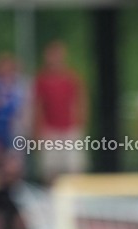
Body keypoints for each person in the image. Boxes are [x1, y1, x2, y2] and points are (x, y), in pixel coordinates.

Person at [33, 41, 88, 183]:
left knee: (74, 167)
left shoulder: (71, 77)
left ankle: (75, 198)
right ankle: (51, 200)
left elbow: (80, 101)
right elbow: (37, 106)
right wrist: (38, 133)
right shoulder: (42, 79)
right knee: (51, 169)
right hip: (50, 130)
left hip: (70, 128)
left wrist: (79, 125)